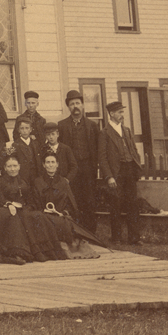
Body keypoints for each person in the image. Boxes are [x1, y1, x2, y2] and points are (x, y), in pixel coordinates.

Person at [0, 155, 62, 261]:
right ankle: (36, 251)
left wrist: (30, 207)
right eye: (9, 166)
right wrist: (9, 204)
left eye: (15, 166)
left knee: (38, 215)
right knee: (27, 218)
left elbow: (30, 198)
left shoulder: (23, 181)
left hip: (24, 209)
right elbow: (0, 198)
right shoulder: (0, 181)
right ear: (5, 168)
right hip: (10, 210)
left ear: (19, 166)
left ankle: (48, 249)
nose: (12, 169)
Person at [98, 99, 143, 245]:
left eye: (122, 112)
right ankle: (116, 237)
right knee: (116, 204)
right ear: (111, 114)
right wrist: (109, 176)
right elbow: (102, 157)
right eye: (119, 112)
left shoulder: (127, 130)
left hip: (129, 170)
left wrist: (136, 167)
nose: (122, 115)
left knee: (132, 204)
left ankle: (134, 238)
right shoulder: (104, 133)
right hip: (116, 173)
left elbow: (134, 150)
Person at [56, 90, 101, 232]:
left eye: (77, 103)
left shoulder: (92, 125)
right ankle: (76, 231)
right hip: (71, 169)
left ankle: (91, 232)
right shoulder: (62, 125)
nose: (75, 106)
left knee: (89, 199)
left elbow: (98, 148)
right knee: (74, 199)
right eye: (72, 104)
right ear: (68, 107)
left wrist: (96, 167)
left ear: (82, 105)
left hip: (88, 167)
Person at [32, 152, 81, 253]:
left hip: (60, 216)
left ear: (57, 164)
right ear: (43, 165)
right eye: (48, 162)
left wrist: (63, 212)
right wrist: (43, 211)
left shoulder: (63, 182)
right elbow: (34, 202)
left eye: (53, 162)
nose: (50, 165)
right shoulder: (38, 182)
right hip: (44, 217)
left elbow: (71, 204)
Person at [37, 123, 78, 187]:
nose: (51, 137)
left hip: (63, 181)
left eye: (53, 134)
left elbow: (74, 166)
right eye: (48, 135)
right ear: (45, 136)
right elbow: (40, 167)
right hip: (47, 182)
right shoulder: (43, 149)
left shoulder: (65, 148)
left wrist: (67, 179)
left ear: (57, 134)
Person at [7, 117, 40, 183]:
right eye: (22, 128)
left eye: (27, 128)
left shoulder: (35, 143)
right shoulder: (15, 145)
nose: (24, 131)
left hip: (35, 175)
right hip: (23, 176)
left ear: (31, 129)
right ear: (19, 130)